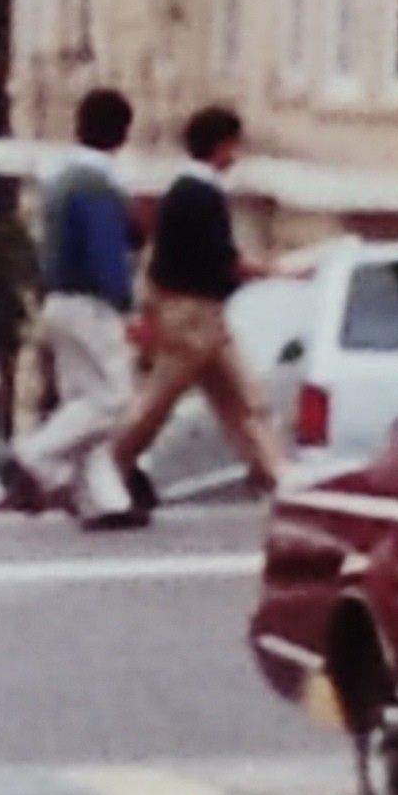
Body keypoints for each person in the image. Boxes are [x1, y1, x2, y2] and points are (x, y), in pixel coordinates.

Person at [93, 100, 284, 528]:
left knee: (244, 400)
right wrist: (271, 271)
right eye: (233, 145)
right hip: (193, 318)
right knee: (157, 405)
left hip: (201, 318)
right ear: (221, 146)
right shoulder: (201, 195)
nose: (236, 155)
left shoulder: (182, 192)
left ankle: (278, 480)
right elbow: (220, 261)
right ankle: (105, 469)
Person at [1, 86, 139, 515]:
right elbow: (105, 255)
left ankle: (105, 501)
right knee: (112, 401)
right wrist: (125, 304)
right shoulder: (97, 184)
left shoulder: (59, 179)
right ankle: (33, 455)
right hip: (91, 303)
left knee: (83, 402)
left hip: (57, 300)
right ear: (122, 133)